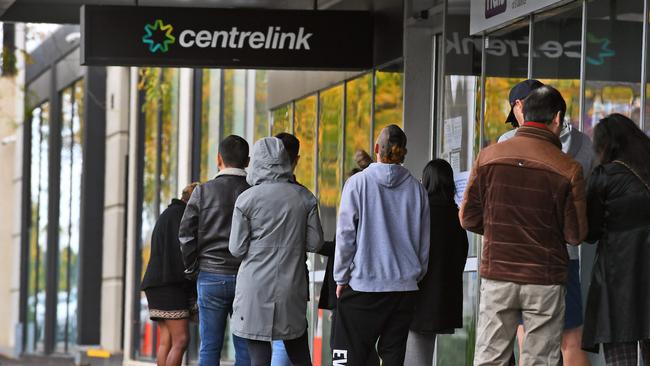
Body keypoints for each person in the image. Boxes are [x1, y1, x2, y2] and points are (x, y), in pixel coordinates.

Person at [460, 85, 588, 365]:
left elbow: (468, 216)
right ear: (556, 119)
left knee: (490, 357)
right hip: (545, 277)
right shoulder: (568, 168)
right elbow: (575, 234)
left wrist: (498, 230)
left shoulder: (488, 157)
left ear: (522, 112)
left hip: (498, 273)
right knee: (539, 359)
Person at [499, 81, 595, 366]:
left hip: (518, 257)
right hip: (565, 255)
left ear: (520, 106)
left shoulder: (508, 143)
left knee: (525, 334)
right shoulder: (583, 145)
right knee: (571, 339)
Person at [333, 125, 431, 366]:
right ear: (403, 153)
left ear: (376, 148)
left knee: (349, 352)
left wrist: (341, 276)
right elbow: (423, 241)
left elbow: (346, 235)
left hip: (365, 283)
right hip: (404, 288)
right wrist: (416, 275)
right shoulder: (417, 189)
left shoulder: (357, 184)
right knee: (393, 355)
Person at [229, 137, 324, 366]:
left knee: (259, 355)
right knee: (300, 353)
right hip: (291, 286)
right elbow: (315, 243)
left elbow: (236, 248)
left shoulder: (246, 199)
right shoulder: (304, 197)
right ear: (285, 161)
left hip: (254, 287)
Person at [582, 114, 650, 365]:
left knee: (621, 356)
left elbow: (589, 232)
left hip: (616, 280)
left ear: (606, 145)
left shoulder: (605, 176)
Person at [178, 135, 251, 366]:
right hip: (245, 277)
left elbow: (186, 235)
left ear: (218, 159)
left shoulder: (202, 192)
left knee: (209, 347)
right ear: (247, 161)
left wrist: (193, 268)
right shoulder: (253, 191)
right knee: (245, 348)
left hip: (209, 276)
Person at [405, 159, 469, 366]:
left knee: (413, 356)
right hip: (443, 299)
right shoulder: (456, 216)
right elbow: (462, 254)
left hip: (417, 297)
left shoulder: (420, 212)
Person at [141, 182, 199, 366]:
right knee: (181, 340)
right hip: (169, 285)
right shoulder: (182, 216)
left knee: (167, 341)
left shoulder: (168, 214)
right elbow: (183, 253)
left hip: (155, 285)